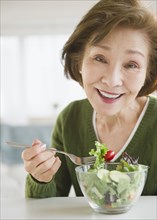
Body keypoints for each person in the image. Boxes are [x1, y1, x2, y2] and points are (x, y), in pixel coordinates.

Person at [22, 0, 157, 197]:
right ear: (79, 61)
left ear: (148, 73)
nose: (111, 80)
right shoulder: (70, 118)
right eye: (100, 58)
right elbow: (48, 206)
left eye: (131, 65)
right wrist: (40, 177)